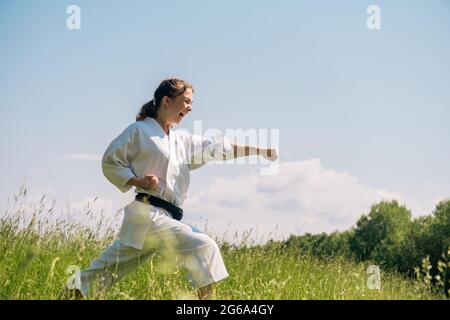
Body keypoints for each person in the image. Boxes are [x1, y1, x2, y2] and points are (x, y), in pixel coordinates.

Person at [62, 77, 278, 300]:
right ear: (166, 100)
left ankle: (65, 296)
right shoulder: (139, 131)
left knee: (103, 272)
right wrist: (138, 181)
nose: (190, 107)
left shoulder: (181, 139)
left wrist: (260, 150)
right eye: (186, 101)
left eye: (191, 102)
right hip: (148, 214)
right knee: (204, 245)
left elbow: (218, 148)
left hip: (159, 218)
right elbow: (110, 161)